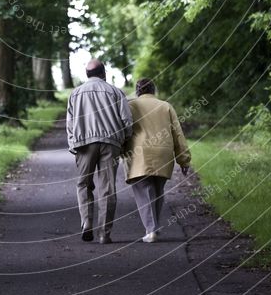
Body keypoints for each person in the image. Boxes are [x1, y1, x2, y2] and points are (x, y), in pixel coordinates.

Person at [67, 59, 133, 244]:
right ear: (104, 73)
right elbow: (127, 121)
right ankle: (104, 233)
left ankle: (87, 223)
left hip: (84, 144)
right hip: (110, 143)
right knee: (107, 188)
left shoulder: (75, 94)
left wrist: (73, 145)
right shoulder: (116, 92)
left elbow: (70, 124)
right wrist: (124, 140)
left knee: (83, 185)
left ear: (86, 75)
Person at [123, 77, 191, 243]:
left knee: (144, 191)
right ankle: (153, 227)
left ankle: (151, 230)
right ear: (154, 91)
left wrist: (117, 152)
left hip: (139, 154)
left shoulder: (130, 106)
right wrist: (184, 159)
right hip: (163, 154)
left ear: (138, 91)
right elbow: (178, 134)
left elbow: (123, 129)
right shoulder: (166, 106)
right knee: (157, 192)